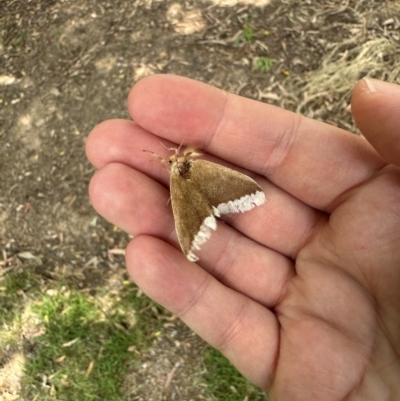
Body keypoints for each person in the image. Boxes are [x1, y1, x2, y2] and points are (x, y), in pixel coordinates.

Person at [86, 75, 400, 400]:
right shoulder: (188, 171)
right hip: (200, 182)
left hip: (204, 183)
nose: (169, 161)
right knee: (183, 217)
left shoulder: (184, 173)